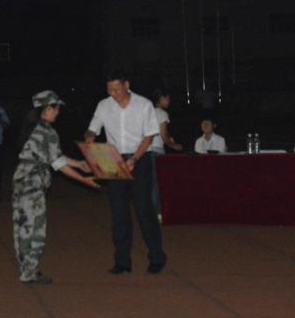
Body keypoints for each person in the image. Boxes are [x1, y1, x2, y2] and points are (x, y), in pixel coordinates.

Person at [85, 71, 167, 275]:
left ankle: (156, 258)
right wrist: (90, 138)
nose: (113, 94)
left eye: (117, 89)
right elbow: (92, 128)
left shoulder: (143, 104)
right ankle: (122, 262)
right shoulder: (104, 105)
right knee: (119, 212)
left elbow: (149, 136)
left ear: (126, 85)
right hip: (113, 160)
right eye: (109, 90)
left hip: (140, 158)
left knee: (144, 210)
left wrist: (134, 159)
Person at [13, 90, 98, 285]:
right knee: (35, 228)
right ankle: (30, 272)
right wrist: (83, 180)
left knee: (22, 226)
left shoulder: (31, 127)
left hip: (21, 179)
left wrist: (78, 164)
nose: (58, 112)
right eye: (56, 108)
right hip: (33, 183)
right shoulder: (47, 131)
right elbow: (57, 164)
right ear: (46, 109)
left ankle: (25, 268)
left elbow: (53, 156)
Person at [149, 89, 183, 222]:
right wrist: (173, 145)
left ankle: (148, 212)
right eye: (167, 98)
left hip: (143, 151)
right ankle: (157, 213)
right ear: (161, 99)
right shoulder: (162, 113)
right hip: (156, 150)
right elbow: (163, 135)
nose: (169, 101)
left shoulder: (147, 111)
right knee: (156, 183)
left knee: (148, 183)